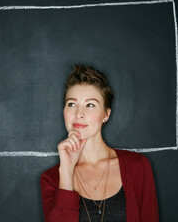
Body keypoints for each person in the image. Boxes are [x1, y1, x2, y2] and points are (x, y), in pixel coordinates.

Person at [40, 64, 159, 222]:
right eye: (72, 104)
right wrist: (67, 170)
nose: (79, 114)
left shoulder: (138, 167)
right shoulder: (51, 179)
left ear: (106, 114)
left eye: (90, 105)